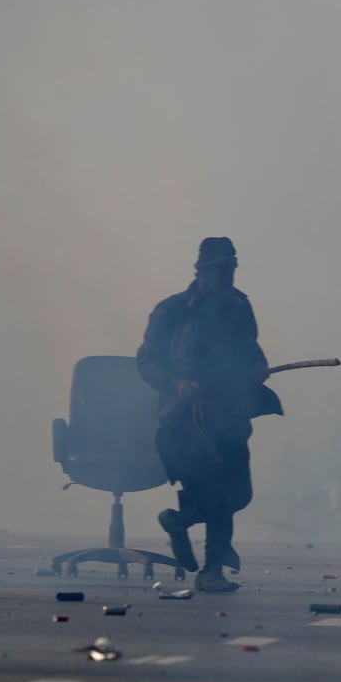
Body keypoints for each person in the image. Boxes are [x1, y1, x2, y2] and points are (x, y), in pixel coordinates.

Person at [137, 237, 279, 592]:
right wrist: (176, 383)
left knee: (237, 493)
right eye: (219, 270)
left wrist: (258, 366)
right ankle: (212, 570)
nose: (225, 276)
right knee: (216, 492)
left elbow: (251, 347)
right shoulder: (172, 311)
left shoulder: (238, 306)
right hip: (186, 419)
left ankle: (179, 520)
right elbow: (147, 361)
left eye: (230, 269)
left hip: (230, 411)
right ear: (201, 272)